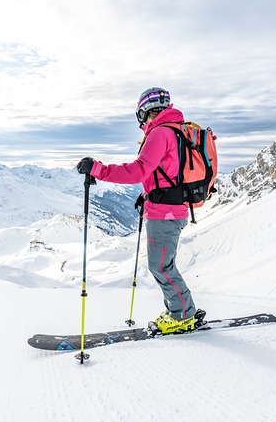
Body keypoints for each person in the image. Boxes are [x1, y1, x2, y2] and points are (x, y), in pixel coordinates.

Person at [76, 87, 204, 334]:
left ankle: (182, 315)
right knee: (162, 265)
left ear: (144, 111)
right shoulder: (174, 130)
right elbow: (165, 174)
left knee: (161, 266)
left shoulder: (161, 132)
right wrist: (149, 195)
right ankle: (180, 310)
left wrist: (98, 169)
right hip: (167, 208)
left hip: (165, 212)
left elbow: (138, 171)